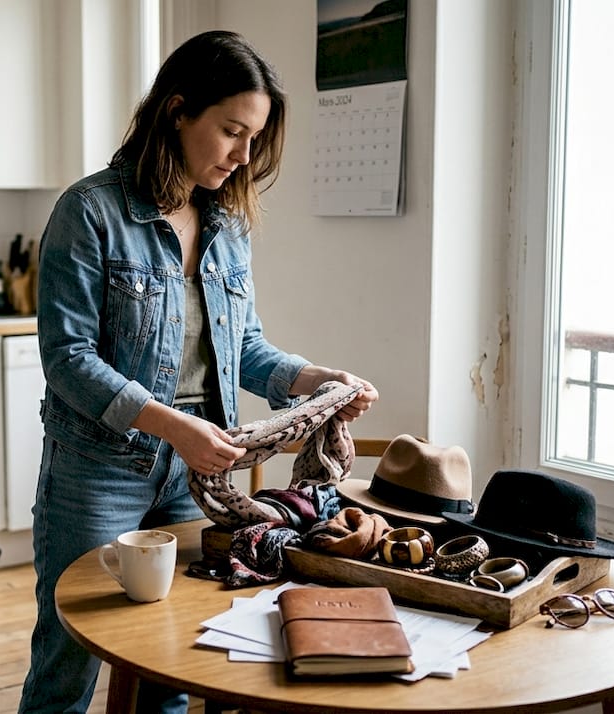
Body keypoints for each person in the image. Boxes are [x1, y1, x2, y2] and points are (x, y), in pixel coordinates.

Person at [20, 30, 379, 714]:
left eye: (255, 138)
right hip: (99, 471)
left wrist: (313, 378)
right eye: (231, 132)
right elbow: (67, 361)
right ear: (178, 110)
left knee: (175, 655)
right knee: (67, 666)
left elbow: (243, 345)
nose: (244, 155)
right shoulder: (90, 212)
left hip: (199, 476)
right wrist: (174, 427)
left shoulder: (227, 223)